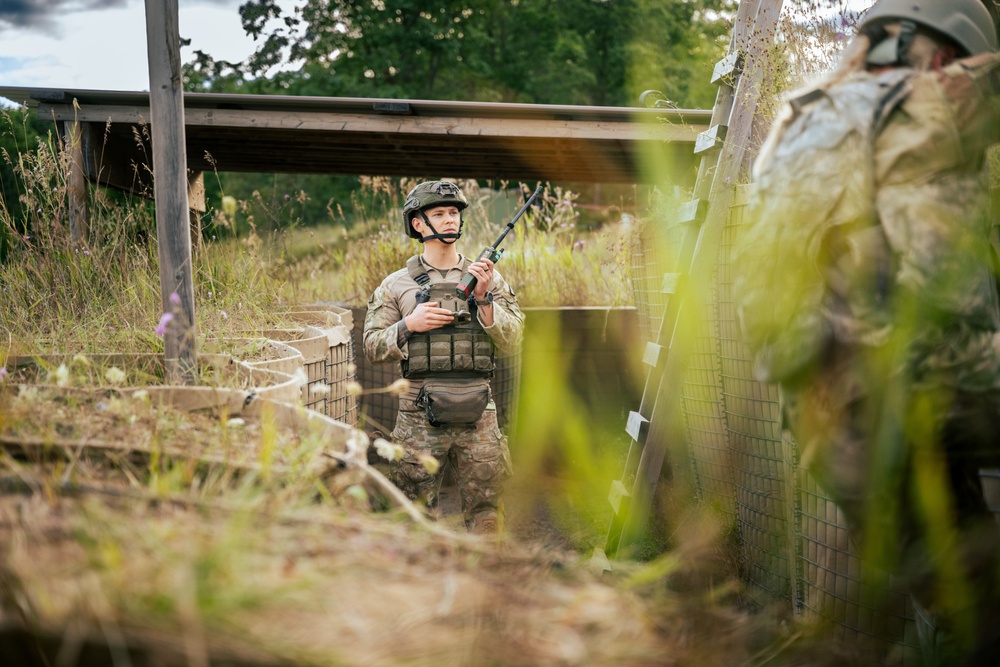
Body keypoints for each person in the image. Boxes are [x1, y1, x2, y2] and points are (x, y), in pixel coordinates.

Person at [733, 1, 1000, 664]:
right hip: (919, 391)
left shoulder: (801, 124)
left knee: (965, 600)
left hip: (828, 423)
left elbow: (759, 299)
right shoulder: (922, 103)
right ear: (940, 51)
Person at [363, 180, 524, 535]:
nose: (450, 219)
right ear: (418, 224)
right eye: (439, 213)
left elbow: (513, 340)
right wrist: (409, 325)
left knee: (487, 515)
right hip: (417, 414)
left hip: (479, 412)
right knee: (413, 516)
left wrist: (483, 300)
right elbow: (371, 348)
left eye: (454, 212)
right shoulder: (396, 285)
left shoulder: (488, 278)